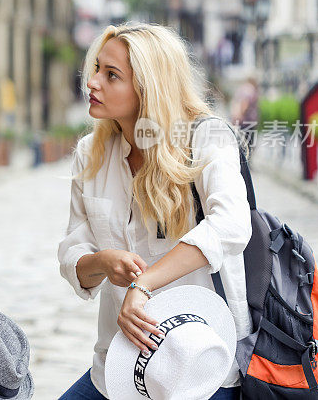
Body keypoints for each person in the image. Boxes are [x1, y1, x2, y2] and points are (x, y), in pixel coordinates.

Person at [57, 23, 252, 399]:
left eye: (111, 75)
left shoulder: (205, 138)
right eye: (96, 68)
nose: (92, 82)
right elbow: (72, 253)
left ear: (148, 88)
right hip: (121, 365)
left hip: (200, 368)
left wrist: (143, 284)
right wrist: (103, 261)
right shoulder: (90, 154)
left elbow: (231, 224)